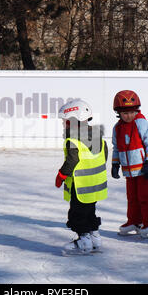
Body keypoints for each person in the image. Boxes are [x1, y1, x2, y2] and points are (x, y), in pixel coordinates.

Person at [55, 99, 108, 255]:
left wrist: (61, 175)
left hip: (80, 186)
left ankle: (84, 241)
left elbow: (72, 161)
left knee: (77, 214)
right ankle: (95, 238)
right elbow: (103, 157)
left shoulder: (72, 140)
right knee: (90, 211)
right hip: (95, 185)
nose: (64, 125)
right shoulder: (98, 136)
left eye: (65, 121)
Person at [111, 90, 148, 238]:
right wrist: (115, 164)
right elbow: (117, 148)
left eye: (132, 112)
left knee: (145, 197)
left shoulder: (141, 123)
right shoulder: (117, 128)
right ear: (118, 112)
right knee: (132, 198)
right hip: (128, 171)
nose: (129, 116)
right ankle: (134, 222)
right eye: (125, 113)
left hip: (143, 169)